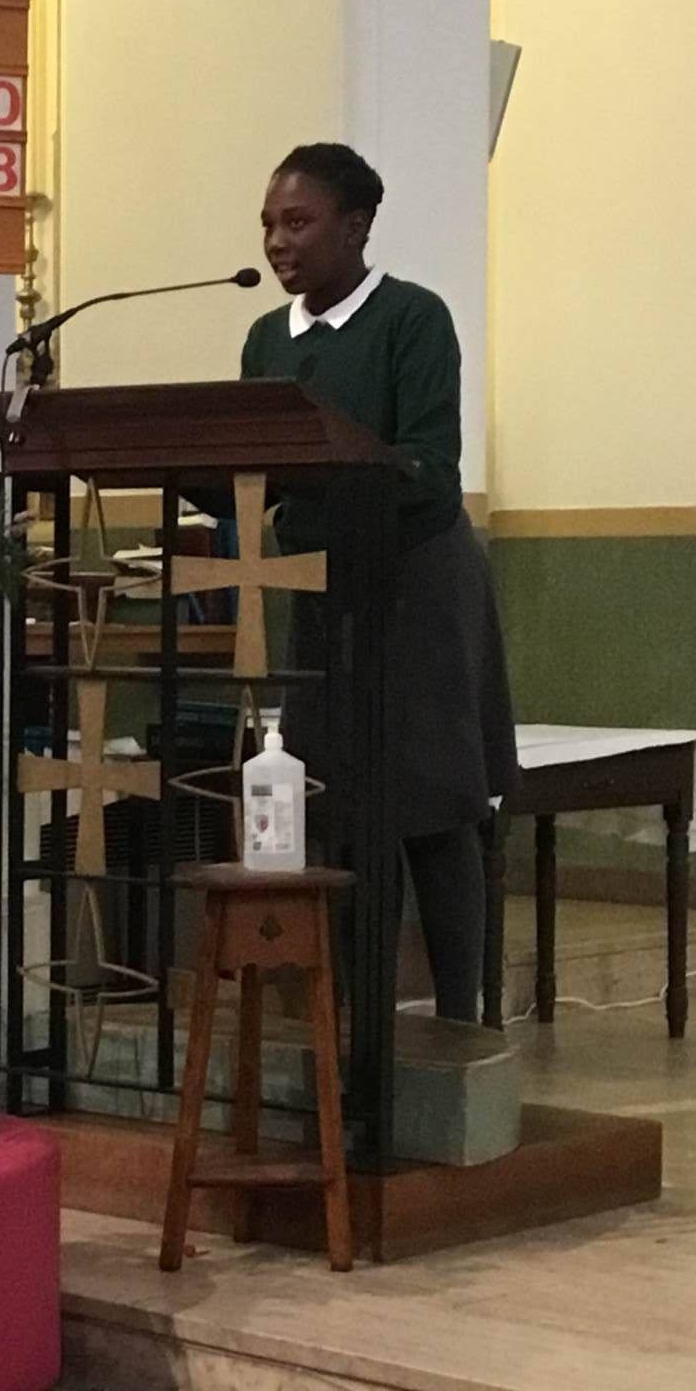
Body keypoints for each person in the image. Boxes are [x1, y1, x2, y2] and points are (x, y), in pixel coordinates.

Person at [242, 142, 518, 1023]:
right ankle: (357, 1022)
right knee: (344, 811)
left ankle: (460, 1018)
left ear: (356, 226)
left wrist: (329, 478)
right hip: (324, 594)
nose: (277, 242)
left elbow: (430, 469)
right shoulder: (267, 338)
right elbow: (253, 470)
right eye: (269, 225)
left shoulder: (412, 319)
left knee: (431, 807)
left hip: (416, 586)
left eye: (298, 222)